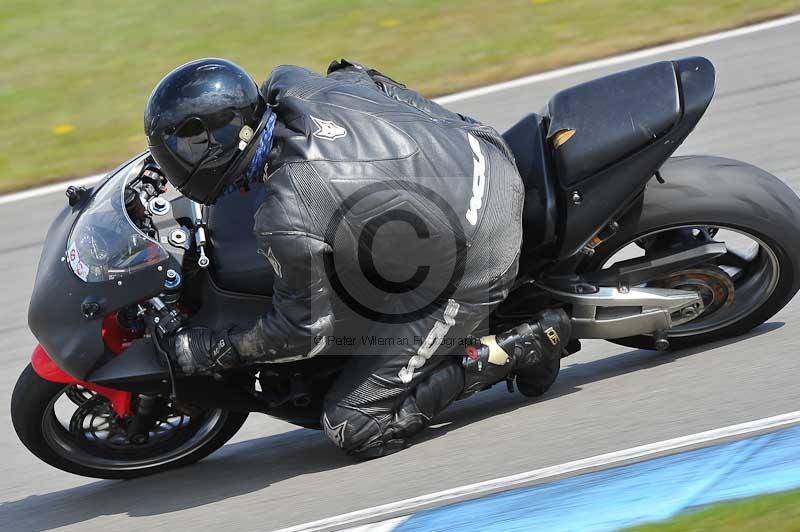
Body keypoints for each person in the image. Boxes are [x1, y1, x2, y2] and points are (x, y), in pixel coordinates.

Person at [144, 58, 571, 458]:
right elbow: (360, 75)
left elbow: (302, 333)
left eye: (188, 147)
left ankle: (525, 344)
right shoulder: (289, 84)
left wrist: (214, 349)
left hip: (480, 247)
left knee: (354, 424)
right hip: (479, 145)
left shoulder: (288, 212)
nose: (179, 159)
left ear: (223, 140)